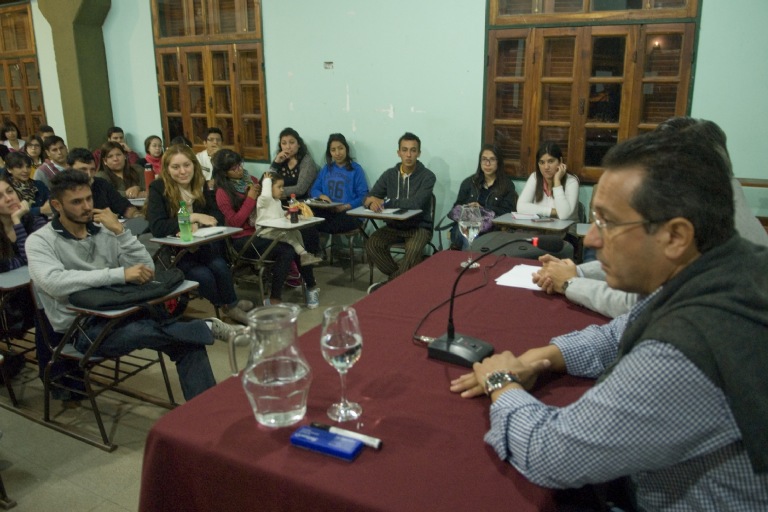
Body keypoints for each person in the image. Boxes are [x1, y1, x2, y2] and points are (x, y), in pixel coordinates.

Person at [450, 129, 768, 510]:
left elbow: (551, 454)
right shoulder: (733, 267)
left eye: (609, 222)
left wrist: (501, 381)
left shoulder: (687, 352)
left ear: (676, 236)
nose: (594, 239)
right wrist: (544, 357)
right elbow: (628, 325)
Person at [26, 170, 232, 401]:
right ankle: (202, 327)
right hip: (82, 329)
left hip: (124, 311)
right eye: (76, 202)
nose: (86, 206)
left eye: (88, 199)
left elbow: (146, 269)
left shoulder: (104, 231)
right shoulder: (40, 241)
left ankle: (206, 415)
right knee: (156, 332)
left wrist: (121, 232)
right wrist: (119, 274)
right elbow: (54, 283)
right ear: (57, 205)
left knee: (189, 344)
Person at [533, 117, 768, 319]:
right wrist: (578, 271)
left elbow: (638, 305)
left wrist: (571, 283)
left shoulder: (711, 221)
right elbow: (638, 258)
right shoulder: (719, 194)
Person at [146, 144, 252, 324]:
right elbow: (157, 226)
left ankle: (231, 305)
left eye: (187, 165)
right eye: (175, 167)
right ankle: (228, 305)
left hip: (201, 245)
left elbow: (216, 214)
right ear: (167, 169)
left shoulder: (200, 184)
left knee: (220, 265)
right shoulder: (158, 188)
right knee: (204, 276)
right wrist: (191, 217)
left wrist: (203, 223)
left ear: (194, 165)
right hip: (175, 253)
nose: (182, 171)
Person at [213, 149, 320, 308]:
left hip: (266, 229)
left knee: (300, 237)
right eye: (233, 168)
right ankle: (275, 299)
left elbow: (269, 203)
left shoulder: (253, 180)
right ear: (224, 172)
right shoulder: (222, 192)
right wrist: (250, 199)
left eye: (240, 165)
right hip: (243, 238)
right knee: (287, 250)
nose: (239, 170)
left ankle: (311, 287)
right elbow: (234, 224)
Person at [364, 132, 436, 287]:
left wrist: (387, 202)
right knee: (372, 244)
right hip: (393, 227)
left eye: (413, 150)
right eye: (404, 150)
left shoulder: (428, 176)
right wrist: (371, 203)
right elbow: (370, 196)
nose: (408, 155)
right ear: (398, 153)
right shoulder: (389, 174)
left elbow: (416, 203)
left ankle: (390, 285)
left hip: (419, 228)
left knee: (413, 250)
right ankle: (400, 280)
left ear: (419, 153)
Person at [449, 144, 518, 250]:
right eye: (484, 159)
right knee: (470, 235)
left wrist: (482, 208)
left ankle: (469, 262)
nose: (487, 164)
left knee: (473, 238)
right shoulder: (469, 182)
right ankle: (469, 263)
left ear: (498, 162)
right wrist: (467, 208)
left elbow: (509, 212)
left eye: (492, 160)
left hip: (492, 228)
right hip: (466, 225)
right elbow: (456, 207)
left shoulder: (506, 185)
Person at [257, 172, 322, 267]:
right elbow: (266, 196)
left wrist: (289, 215)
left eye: (282, 187)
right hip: (265, 231)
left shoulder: (277, 201)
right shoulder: (263, 201)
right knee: (287, 235)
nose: (282, 190)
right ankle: (303, 254)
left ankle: (304, 254)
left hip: (275, 230)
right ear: (268, 188)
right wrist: (266, 181)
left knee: (296, 232)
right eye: (279, 187)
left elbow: (279, 215)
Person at [309, 133, 369, 234]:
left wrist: (345, 207)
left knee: (324, 225)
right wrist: (322, 196)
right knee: (308, 219)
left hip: (349, 213)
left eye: (340, 148)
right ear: (330, 153)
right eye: (333, 150)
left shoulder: (356, 169)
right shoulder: (326, 169)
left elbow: (364, 196)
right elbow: (314, 189)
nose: (337, 153)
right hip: (329, 211)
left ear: (346, 149)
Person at [67, 148, 141, 219]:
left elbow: (124, 207)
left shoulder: (101, 183)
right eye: (83, 170)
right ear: (69, 169)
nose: (89, 175)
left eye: (92, 170)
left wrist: (136, 215)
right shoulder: (61, 189)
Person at [516, 141, 579, 220]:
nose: (546, 167)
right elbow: (520, 207)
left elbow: (564, 215)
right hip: (540, 228)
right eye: (542, 162)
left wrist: (557, 181)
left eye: (550, 161)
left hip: (567, 231)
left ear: (560, 161)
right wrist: (552, 211)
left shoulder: (571, 182)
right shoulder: (535, 177)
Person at [0, 175, 46, 272]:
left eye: (10, 191)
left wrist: (17, 221)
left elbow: (36, 260)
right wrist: (24, 260)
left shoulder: (36, 222)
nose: (8, 199)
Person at [270, 127, 318, 200]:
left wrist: (275, 191)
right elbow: (267, 181)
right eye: (284, 143)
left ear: (298, 144)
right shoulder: (280, 158)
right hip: (279, 202)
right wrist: (276, 163)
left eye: (292, 143)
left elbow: (300, 189)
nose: (288, 147)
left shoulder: (306, 161)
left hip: (300, 204)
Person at [3, 152, 51, 218]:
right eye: (20, 167)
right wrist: (40, 210)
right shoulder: (7, 190)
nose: (25, 170)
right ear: (9, 169)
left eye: (28, 166)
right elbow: (14, 214)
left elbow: (51, 200)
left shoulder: (39, 184)